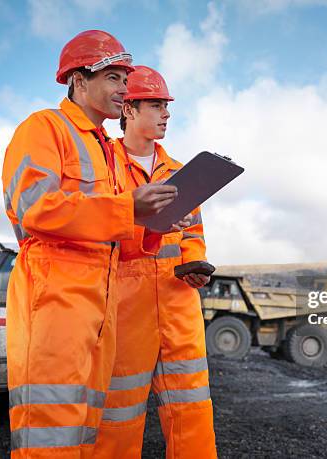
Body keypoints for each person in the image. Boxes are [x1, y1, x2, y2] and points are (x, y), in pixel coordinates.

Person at [2, 31, 184, 458]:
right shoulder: (44, 128)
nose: (125, 88)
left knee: (86, 437)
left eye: (126, 79)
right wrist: (126, 209)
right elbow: (33, 207)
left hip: (100, 310)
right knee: (49, 434)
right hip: (54, 302)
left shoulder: (106, 150)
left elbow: (123, 236)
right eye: (115, 78)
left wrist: (157, 225)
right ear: (79, 82)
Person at [93, 66, 217, 458]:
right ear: (128, 110)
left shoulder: (180, 172)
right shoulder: (104, 165)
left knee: (192, 409)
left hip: (179, 303)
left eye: (167, 107)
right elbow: (97, 229)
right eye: (157, 105)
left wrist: (195, 263)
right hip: (127, 306)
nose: (166, 114)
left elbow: (193, 233)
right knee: (119, 414)